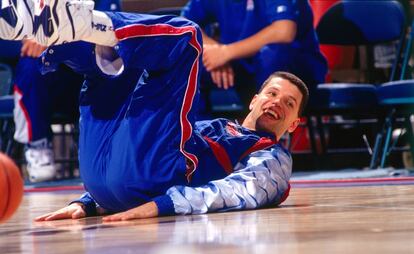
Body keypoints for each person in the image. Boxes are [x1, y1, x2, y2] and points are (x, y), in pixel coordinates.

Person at [0, 0, 308, 220]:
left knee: (187, 38)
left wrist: (164, 205)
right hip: (100, 180)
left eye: (289, 103)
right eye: (272, 93)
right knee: (117, 69)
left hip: (151, 181)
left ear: (295, 123)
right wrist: (89, 203)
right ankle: (45, 31)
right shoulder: (218, 126)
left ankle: (83, 24)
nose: (277, 102)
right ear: (254, 99)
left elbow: (241, 192)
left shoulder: (273, 156)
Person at [12, 0, 121, 183]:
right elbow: (17, 39)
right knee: (29, 66)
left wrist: (52, 39)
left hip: (86, 69)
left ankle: (109, 146)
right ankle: (37, 146)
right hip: (50, 78)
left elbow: (111, 32)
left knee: (111, 65)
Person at [181, 0, 327, 104]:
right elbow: (185, 26)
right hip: (240, 66)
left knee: (272, 55)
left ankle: (270, 141)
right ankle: (197, 140)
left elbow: (284, 31)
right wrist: (212, 52)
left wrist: (226, 53)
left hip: (294, 69)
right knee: (191, 62)